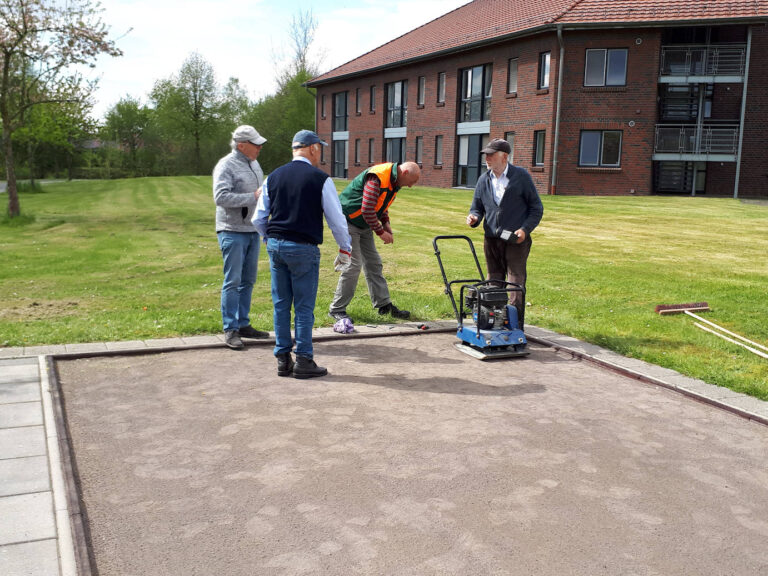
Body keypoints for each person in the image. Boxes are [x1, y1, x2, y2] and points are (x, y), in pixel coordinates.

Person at [253, 130, 352, 379]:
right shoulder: (320, 179)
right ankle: (304, 360)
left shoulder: (273, 176)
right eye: (321, 148)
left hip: (276, 245)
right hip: (303, 248)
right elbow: (336, 220)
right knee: (304, 307)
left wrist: (268, 237)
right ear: (313, 148)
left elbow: (258, 217)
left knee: (281, 304)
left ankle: (282, 359)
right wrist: (345, 247)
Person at [466, 138, 543, 331]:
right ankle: (493, 322)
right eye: (486, 155)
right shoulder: (484, 179)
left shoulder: (521, 177)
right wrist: (474, 217)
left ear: (505, 157)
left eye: (491, 155)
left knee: (515, 281)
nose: (487, 158)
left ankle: (516, 325)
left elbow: (536, 208)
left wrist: (525, 230)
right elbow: (477, 207)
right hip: (491, 238)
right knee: (493, 279)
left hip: (515, 239)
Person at [328, 161, 421, 322]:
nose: (411, 186)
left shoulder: (394, 181)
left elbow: (381, 205)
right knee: (353, 265)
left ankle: (383, 305)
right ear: (405, 173)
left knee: (374, 263)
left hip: (363, 223)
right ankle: (336, 309)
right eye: (412, 182)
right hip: (349, 221)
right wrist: (380, 232)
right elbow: (367, 209)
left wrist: (386, 223)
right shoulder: (377, 177)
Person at [213, 125, 271, 350]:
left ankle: (243, 323)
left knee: (248, 280)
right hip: (231, 230)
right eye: (256, 144)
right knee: (233, 281)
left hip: (252, 231)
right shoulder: (226, 165)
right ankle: (230, 329)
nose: (260, 147)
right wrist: (252, 196)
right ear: (241, 145)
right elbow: (220, 197)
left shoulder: (255, 163)